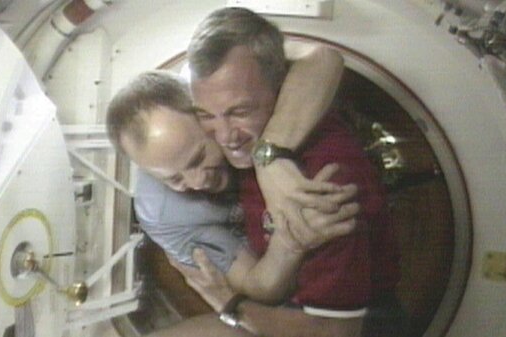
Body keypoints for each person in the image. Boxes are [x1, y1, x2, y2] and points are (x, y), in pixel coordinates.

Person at [171, 7, 404, 337]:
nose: (225, 136)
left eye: (239, 112)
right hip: (280, 308)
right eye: (206, 115)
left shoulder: (322, 181)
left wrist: (227, 302)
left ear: (280, 89)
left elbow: (331, 332)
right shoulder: (239, 143)